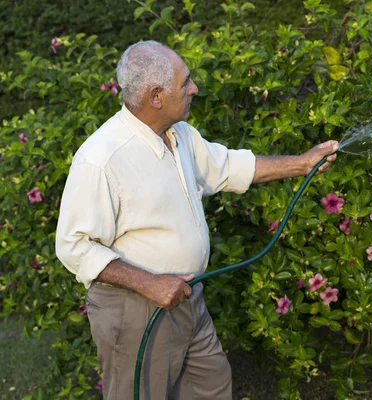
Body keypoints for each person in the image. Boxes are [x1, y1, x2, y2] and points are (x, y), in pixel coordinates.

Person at [55, 40, 337, 400]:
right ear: (156, 96)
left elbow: (226, 167)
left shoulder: (179, 135)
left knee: (212, 387)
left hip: (189, 299)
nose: (194, 89)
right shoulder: (102, 158)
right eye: (185, 82)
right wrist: (149, 283)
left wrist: (302, 163)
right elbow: (75, 246)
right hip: (136, 310)